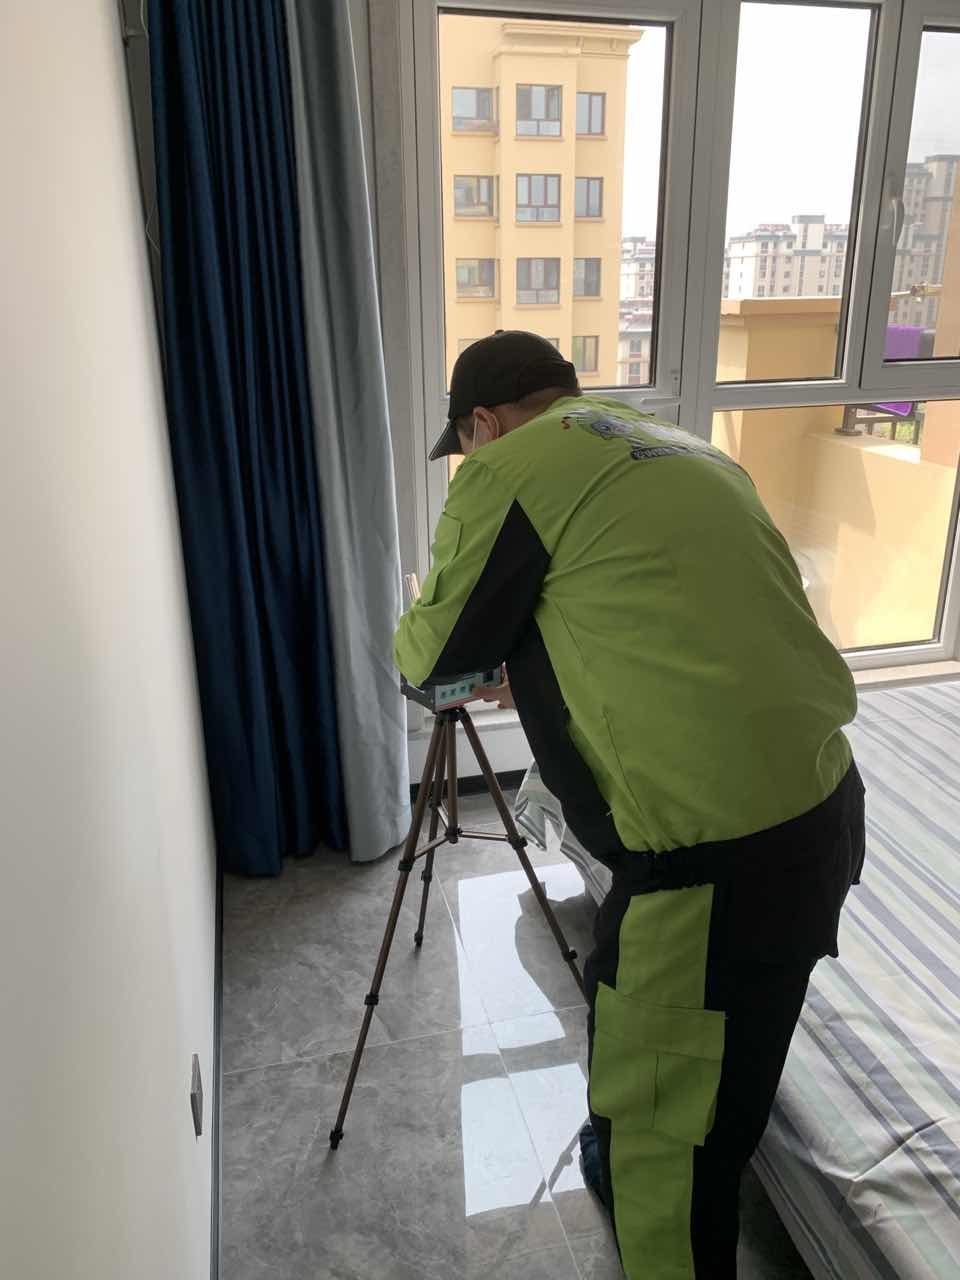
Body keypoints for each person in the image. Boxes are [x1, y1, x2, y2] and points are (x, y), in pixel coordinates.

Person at [394, 330, 865, 1279]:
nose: (468, 459)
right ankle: (659, 1150)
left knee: (665, 1149)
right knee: (728, 1058)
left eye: (466, 445)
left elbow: (429, 662)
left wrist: (481, 650)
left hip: (708, 870)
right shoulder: (681, 445)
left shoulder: (509, 469)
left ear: (483, 423)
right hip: (824, 804)